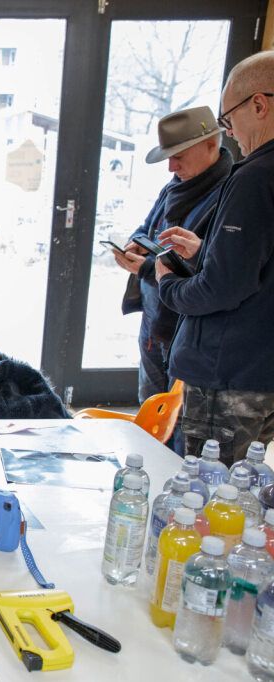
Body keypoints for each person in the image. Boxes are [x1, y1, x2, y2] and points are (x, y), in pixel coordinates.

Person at [155, 51, 274, 466]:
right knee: (241, 490)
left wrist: (168, 281)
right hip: (263, 370)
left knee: (202, 497)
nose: (231, 132)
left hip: (229, 373)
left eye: (228, 119)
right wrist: (208, 250)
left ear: (258, 105)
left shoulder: (254, 176)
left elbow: (222, 288)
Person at [112, 106, 232, 408]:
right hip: (156, 319)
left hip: (189, 330)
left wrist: (148, 269)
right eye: (169, 157)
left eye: (179, 156)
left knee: (178, 419)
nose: (171, 166)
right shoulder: (175, 187)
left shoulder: (232, 197)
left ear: (211, 144)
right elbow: (147, 226)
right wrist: (135, 245)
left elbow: (216, 270)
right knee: (150, 409)